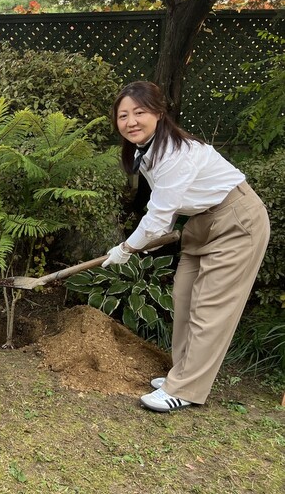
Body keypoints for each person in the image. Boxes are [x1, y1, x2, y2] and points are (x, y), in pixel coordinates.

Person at [101, 81, 270, 413]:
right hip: (202, 222)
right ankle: (182, 375)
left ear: (159, 113)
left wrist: (127, 248)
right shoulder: (147, 149)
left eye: (139, 112)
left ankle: (186, 388)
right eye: (123, 115)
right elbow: (169, 208)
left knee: (210, 309)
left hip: (237, 220)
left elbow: (159, 217)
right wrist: (140, 243)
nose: (131, 121)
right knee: (184, 298)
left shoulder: (175, 153)